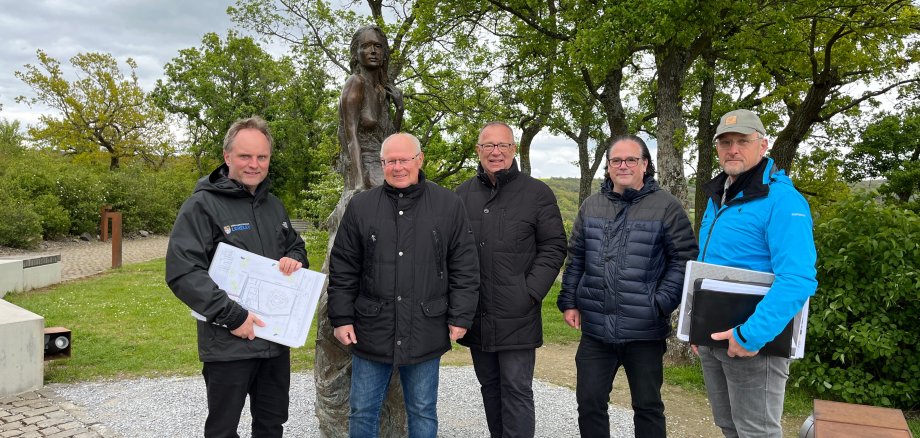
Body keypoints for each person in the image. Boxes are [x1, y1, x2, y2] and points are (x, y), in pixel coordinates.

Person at [326, 132, 479, 437]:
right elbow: (343, 268)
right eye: (390, 161)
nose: (397, 167)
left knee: (423, 411)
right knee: (362, 411)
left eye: (403, 160)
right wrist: (341, 317)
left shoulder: (448, 204)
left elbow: (464, 265)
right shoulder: (361, 206)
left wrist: (461, 316)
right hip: (371, 327)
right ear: (382, 164)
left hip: (426, 325)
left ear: (419, 160)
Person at [165, 116, 308, 438]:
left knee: (272, 424)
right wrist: (233, 316)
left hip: (274, 341)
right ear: (227, 156)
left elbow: (296, 247)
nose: (254, 164)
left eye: (262, 157)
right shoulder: (201, 206)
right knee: (222, 429)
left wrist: (294, 259)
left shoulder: (273, 206)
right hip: (228, 343)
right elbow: (183, 271)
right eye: (245, 156)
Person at [557, 135, 698, 438]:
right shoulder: (591, 206)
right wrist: (569, 300)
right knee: (590, 402)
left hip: (644, 330)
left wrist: (658, 302)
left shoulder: (667, 207)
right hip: (596, 329)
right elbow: (576, 257)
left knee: (647, 406)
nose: (623, 165)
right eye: (616, 161)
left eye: (631, 160)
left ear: (645, 164)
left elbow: (684, 261)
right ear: (607, 167)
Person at [694, 109, 818, 438]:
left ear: (763, 145)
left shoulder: (783, 201)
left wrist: (750, 336)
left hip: (755, 344)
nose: (732, 149)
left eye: (742, 141)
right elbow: (709, 265)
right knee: (729, 427)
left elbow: (798, 279)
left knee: (756, 433)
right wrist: (695, 325)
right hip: (711, 336)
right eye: (725, 142)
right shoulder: (718, 197)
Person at [454, 121, 567, 437]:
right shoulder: (461, 195)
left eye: (502, 145)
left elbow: (555, 245)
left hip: (518, 314)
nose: (495, 152)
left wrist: (529, 292)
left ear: (513, 150)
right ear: (478, 151)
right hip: (477, 314)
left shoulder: (536, 193)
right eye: (488, 146)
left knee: (516, 390)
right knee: (490, 387)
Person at [338, 24, 404, 191]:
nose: (373, 51)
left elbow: (391, 139)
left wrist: (400, 109)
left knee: (423, 186)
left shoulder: (382, 90)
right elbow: (349, 137)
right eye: (366, 46)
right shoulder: (355, 83)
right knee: (399, 188)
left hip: (388, 161)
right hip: (366, 163)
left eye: (378, 46)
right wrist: (358, 182)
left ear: (384, 53)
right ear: (356, 53)